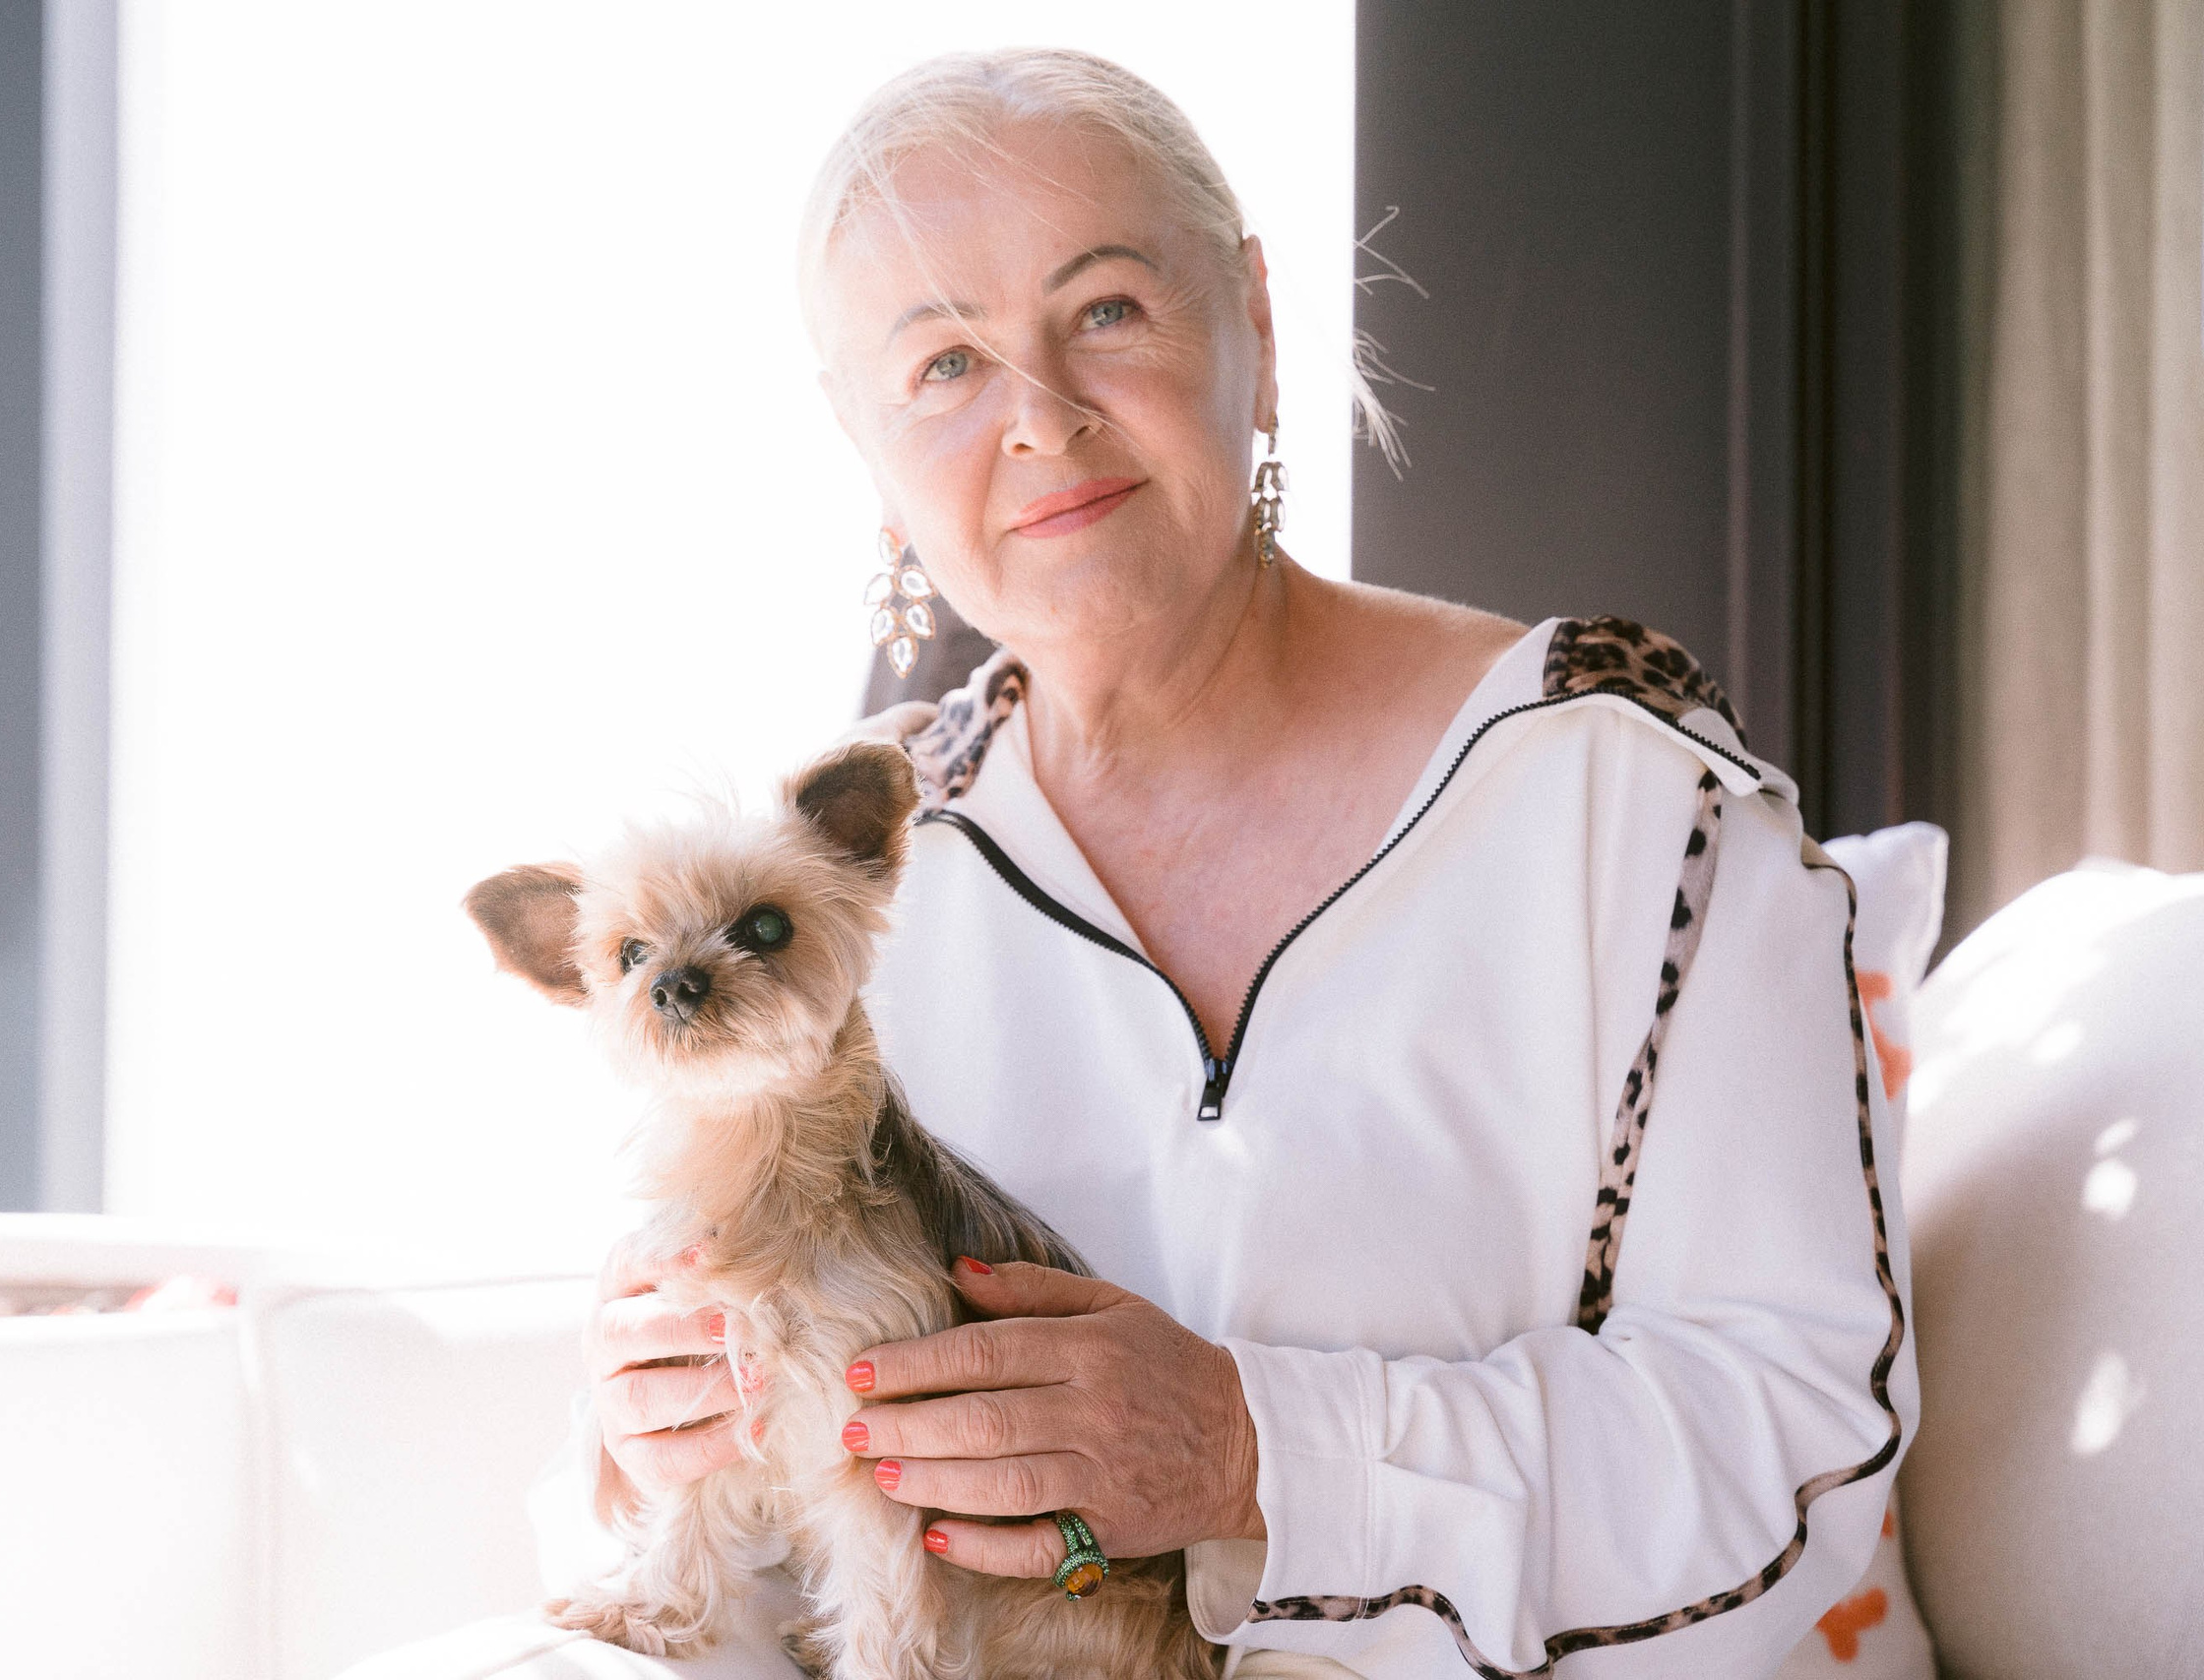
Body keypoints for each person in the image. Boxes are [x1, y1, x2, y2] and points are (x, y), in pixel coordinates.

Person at [358, 47, 1916, 1680]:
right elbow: (717, 1555)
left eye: (1105, 310)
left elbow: (1806, 1438)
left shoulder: (1630, 800)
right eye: (944, 365)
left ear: (1253, 315)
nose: (1040, 419)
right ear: (864, 444)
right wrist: (653, 1430)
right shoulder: (857, 880)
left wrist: (1259, 1453)